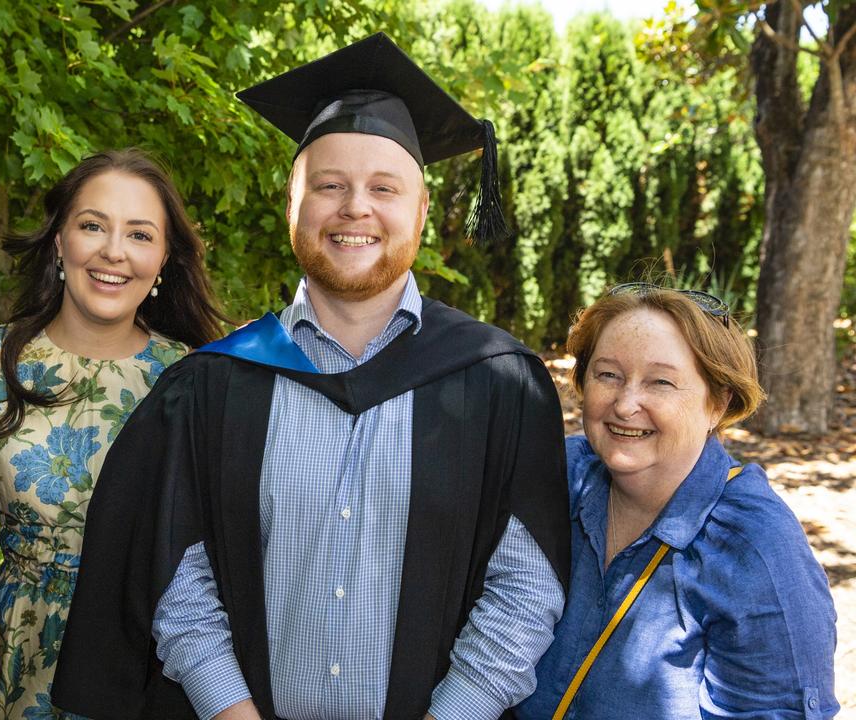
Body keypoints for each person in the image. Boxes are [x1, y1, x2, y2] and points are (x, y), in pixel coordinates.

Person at [52, 33, 570, 720]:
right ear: (291, 206)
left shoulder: (500, 384)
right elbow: (177, 579)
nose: (355, 207)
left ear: (420, 213)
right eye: (329, 186)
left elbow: (526, 591)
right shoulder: (217, 385)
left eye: (384, 189)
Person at [0, 149, 226, 719]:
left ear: (164, 258)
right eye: (93, 225)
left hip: (150, 665)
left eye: (140, 234)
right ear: (59, 242)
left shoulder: (198, 380)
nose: (113, 251)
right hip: (13, 661)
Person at [517, 283, 839, 719]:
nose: (626, 404)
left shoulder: (755, 550)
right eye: (608, 374)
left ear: (718, 404)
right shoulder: (557, 476)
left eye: (661, 382)